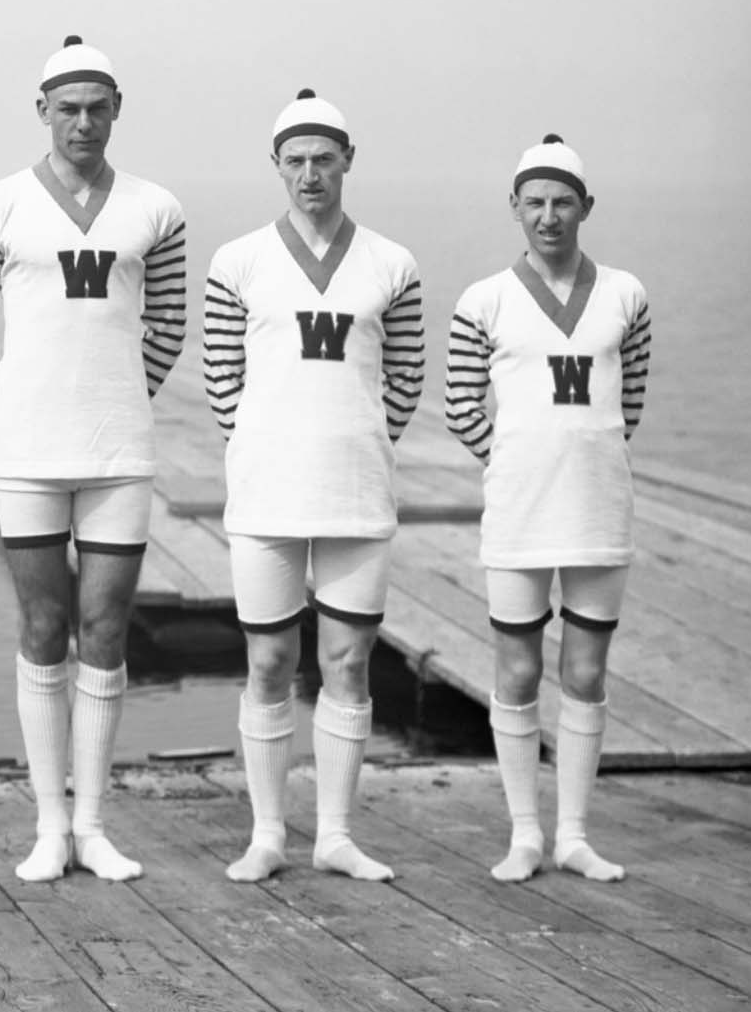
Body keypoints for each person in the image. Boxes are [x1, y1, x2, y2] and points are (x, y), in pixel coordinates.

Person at [0, 37, 188, 882]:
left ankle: (94, 824)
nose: (82, 121)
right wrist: (8, 405)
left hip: (119, 450)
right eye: (67, 107)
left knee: (106, 628)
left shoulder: (157, 208)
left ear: (116, 109)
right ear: (42, 110)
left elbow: (170, 326)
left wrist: (124, 394)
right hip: (27, 451)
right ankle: (49, 823)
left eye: (97, 107)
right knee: (44, 627)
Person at [202, 89, 424, 882]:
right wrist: (266, 440)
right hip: (265, 489)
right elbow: (220, 376)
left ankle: (334, 833)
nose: (309, 174)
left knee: (349, 660)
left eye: (323, 158)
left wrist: (355, 439)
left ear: (347, 160)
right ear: (276, 166)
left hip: (357, 492)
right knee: (267, 662)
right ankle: (268, 832)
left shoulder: (392, 263)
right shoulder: (238, 261)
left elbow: (404, 381)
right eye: (294, 160)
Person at [445, 134, 648, 883]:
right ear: (515, 208)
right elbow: (461, 400)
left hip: (599, 509)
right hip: (520, 511)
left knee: (587, 669)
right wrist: (513, 458)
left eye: (564, 201)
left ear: (586, 206)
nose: (550, 215)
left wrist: (585, 453)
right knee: (519, 667)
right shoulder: (484, 299)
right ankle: (524, 832)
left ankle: (575, 833)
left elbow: (628, 403)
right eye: (535, 202)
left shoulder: (626, 294)